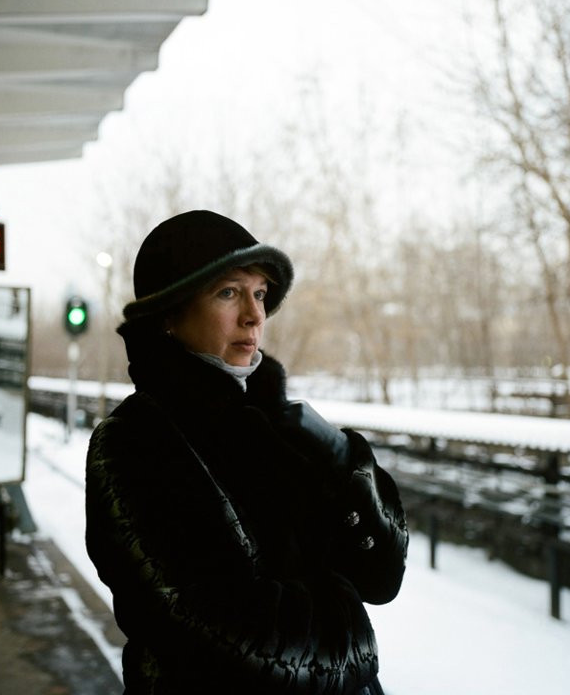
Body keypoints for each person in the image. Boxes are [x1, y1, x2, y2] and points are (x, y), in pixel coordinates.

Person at [86, 210, 408, 694]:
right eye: (228, 292)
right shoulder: (134, 442)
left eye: (259, 293)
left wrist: (344, 461)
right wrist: (347, 620)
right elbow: (215, 634)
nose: (255, 314)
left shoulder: (285, 429)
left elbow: (382, 576)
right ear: (169, 314)